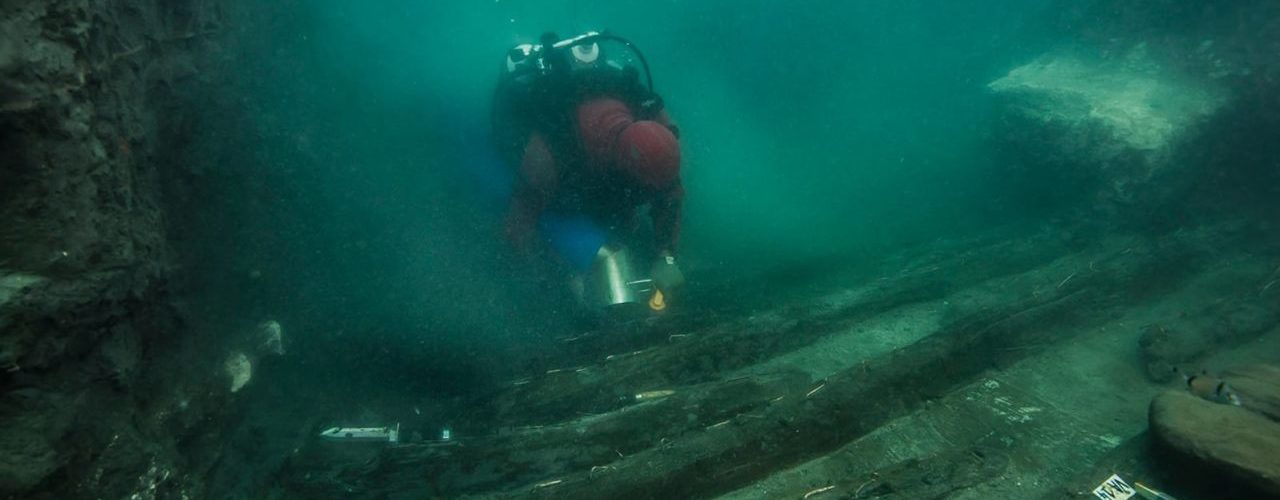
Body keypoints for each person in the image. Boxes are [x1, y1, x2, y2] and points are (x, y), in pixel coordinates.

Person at [492, 32, 685, 311]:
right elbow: (517, 229)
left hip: (599, 176)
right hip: (567, 180)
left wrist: (666, 255)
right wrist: (545, 280)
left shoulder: (655, 127)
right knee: (569, 209)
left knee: (619, 217)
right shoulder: (550, 154)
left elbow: (670, 191)